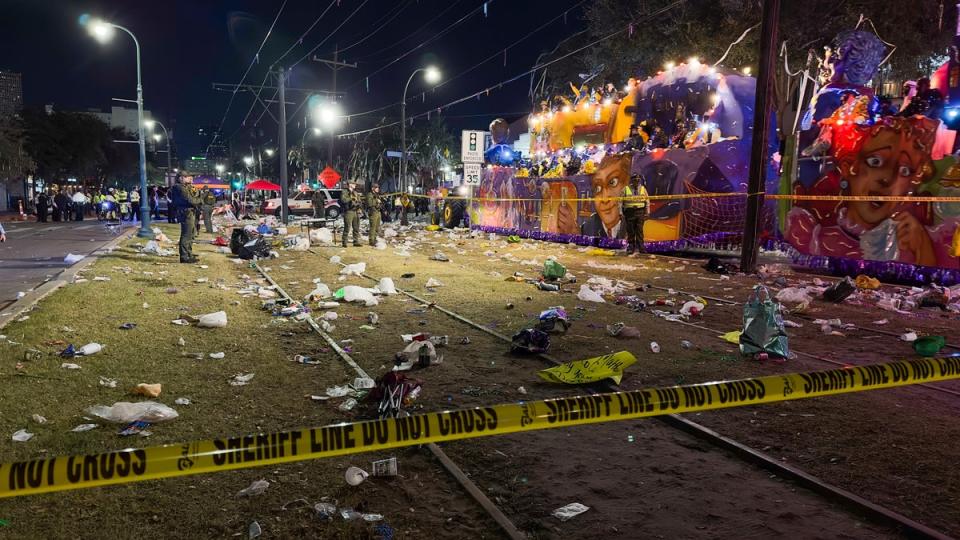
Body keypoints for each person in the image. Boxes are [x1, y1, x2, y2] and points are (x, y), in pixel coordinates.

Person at [580, 153, 629, 239]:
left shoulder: (636, 226)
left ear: (626, 184)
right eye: (598, 188)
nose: (605, 199)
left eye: (613, 182)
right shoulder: (588, 228)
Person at [170, 174, 202, 263]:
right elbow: (190, 199)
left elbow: (194, 197)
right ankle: (184, 256)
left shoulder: (185, 187)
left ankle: (189, 253)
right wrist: (200, 200)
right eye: (187, 177)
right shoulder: (179, 187)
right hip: (185, 212)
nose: (190, 178)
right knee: (186, 234)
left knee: (191, 234)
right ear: (181, 178)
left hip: (190, 211)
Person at [622, 173, 649, 255]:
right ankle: (631, 247)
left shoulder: (643, 189)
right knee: (631, 231)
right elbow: (620, 202)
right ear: (632, 180)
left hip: (640, 212)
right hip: (629, 212)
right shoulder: (626, 189)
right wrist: (620, 213)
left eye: (638, 180)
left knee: (639, 230)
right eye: (635, 180)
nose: (636, 181)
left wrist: (647, 212)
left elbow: (647, 201)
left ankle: (641, 247)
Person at [340, 181, 363, 247]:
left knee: (356, 227)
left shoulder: (355, 193)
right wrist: (351, 198)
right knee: (347, 227)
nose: (355, 185)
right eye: (353, 184)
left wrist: (359, 207)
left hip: (355, 211)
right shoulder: (344, 191)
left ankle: (356, 241)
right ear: (350, 185)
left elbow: (359, 201)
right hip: (349, 211)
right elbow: (343, 200)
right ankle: (344, 242)